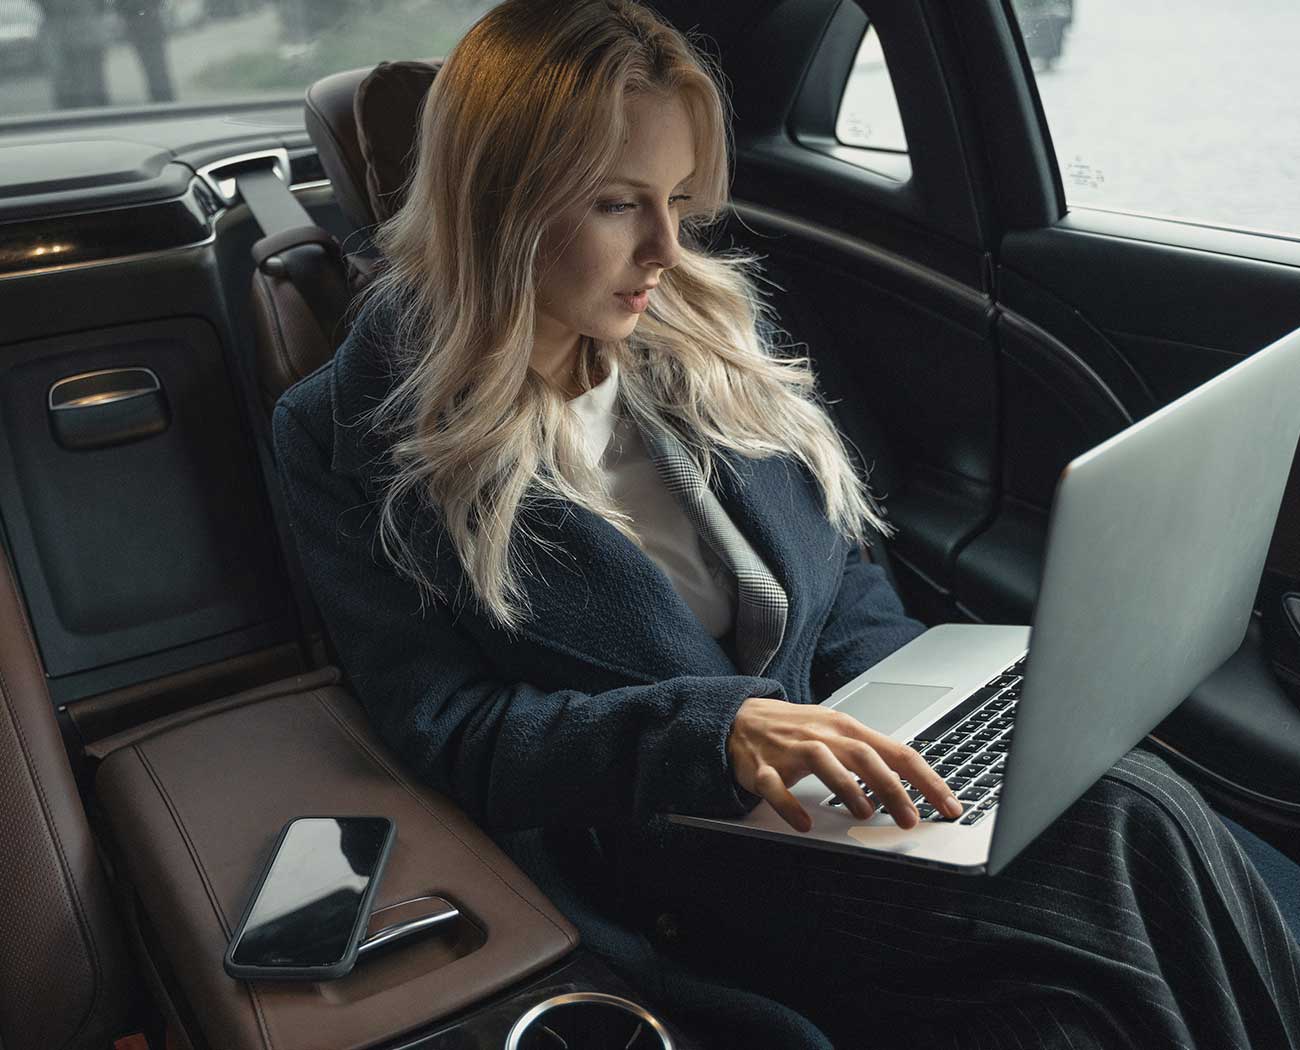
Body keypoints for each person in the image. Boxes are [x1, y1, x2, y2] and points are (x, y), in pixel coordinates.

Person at [271, 1, 1300, 1046]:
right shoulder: (349, 435)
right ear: (499, 202)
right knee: (1128, 850)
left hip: (841, 791)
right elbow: (448, 729)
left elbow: (844, 576)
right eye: (621, 205)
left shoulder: (704, 330)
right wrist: (716, 732)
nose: (668, 247)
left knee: (1138, 813)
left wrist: (929, 710)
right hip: (678, 836)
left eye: (676, 199)